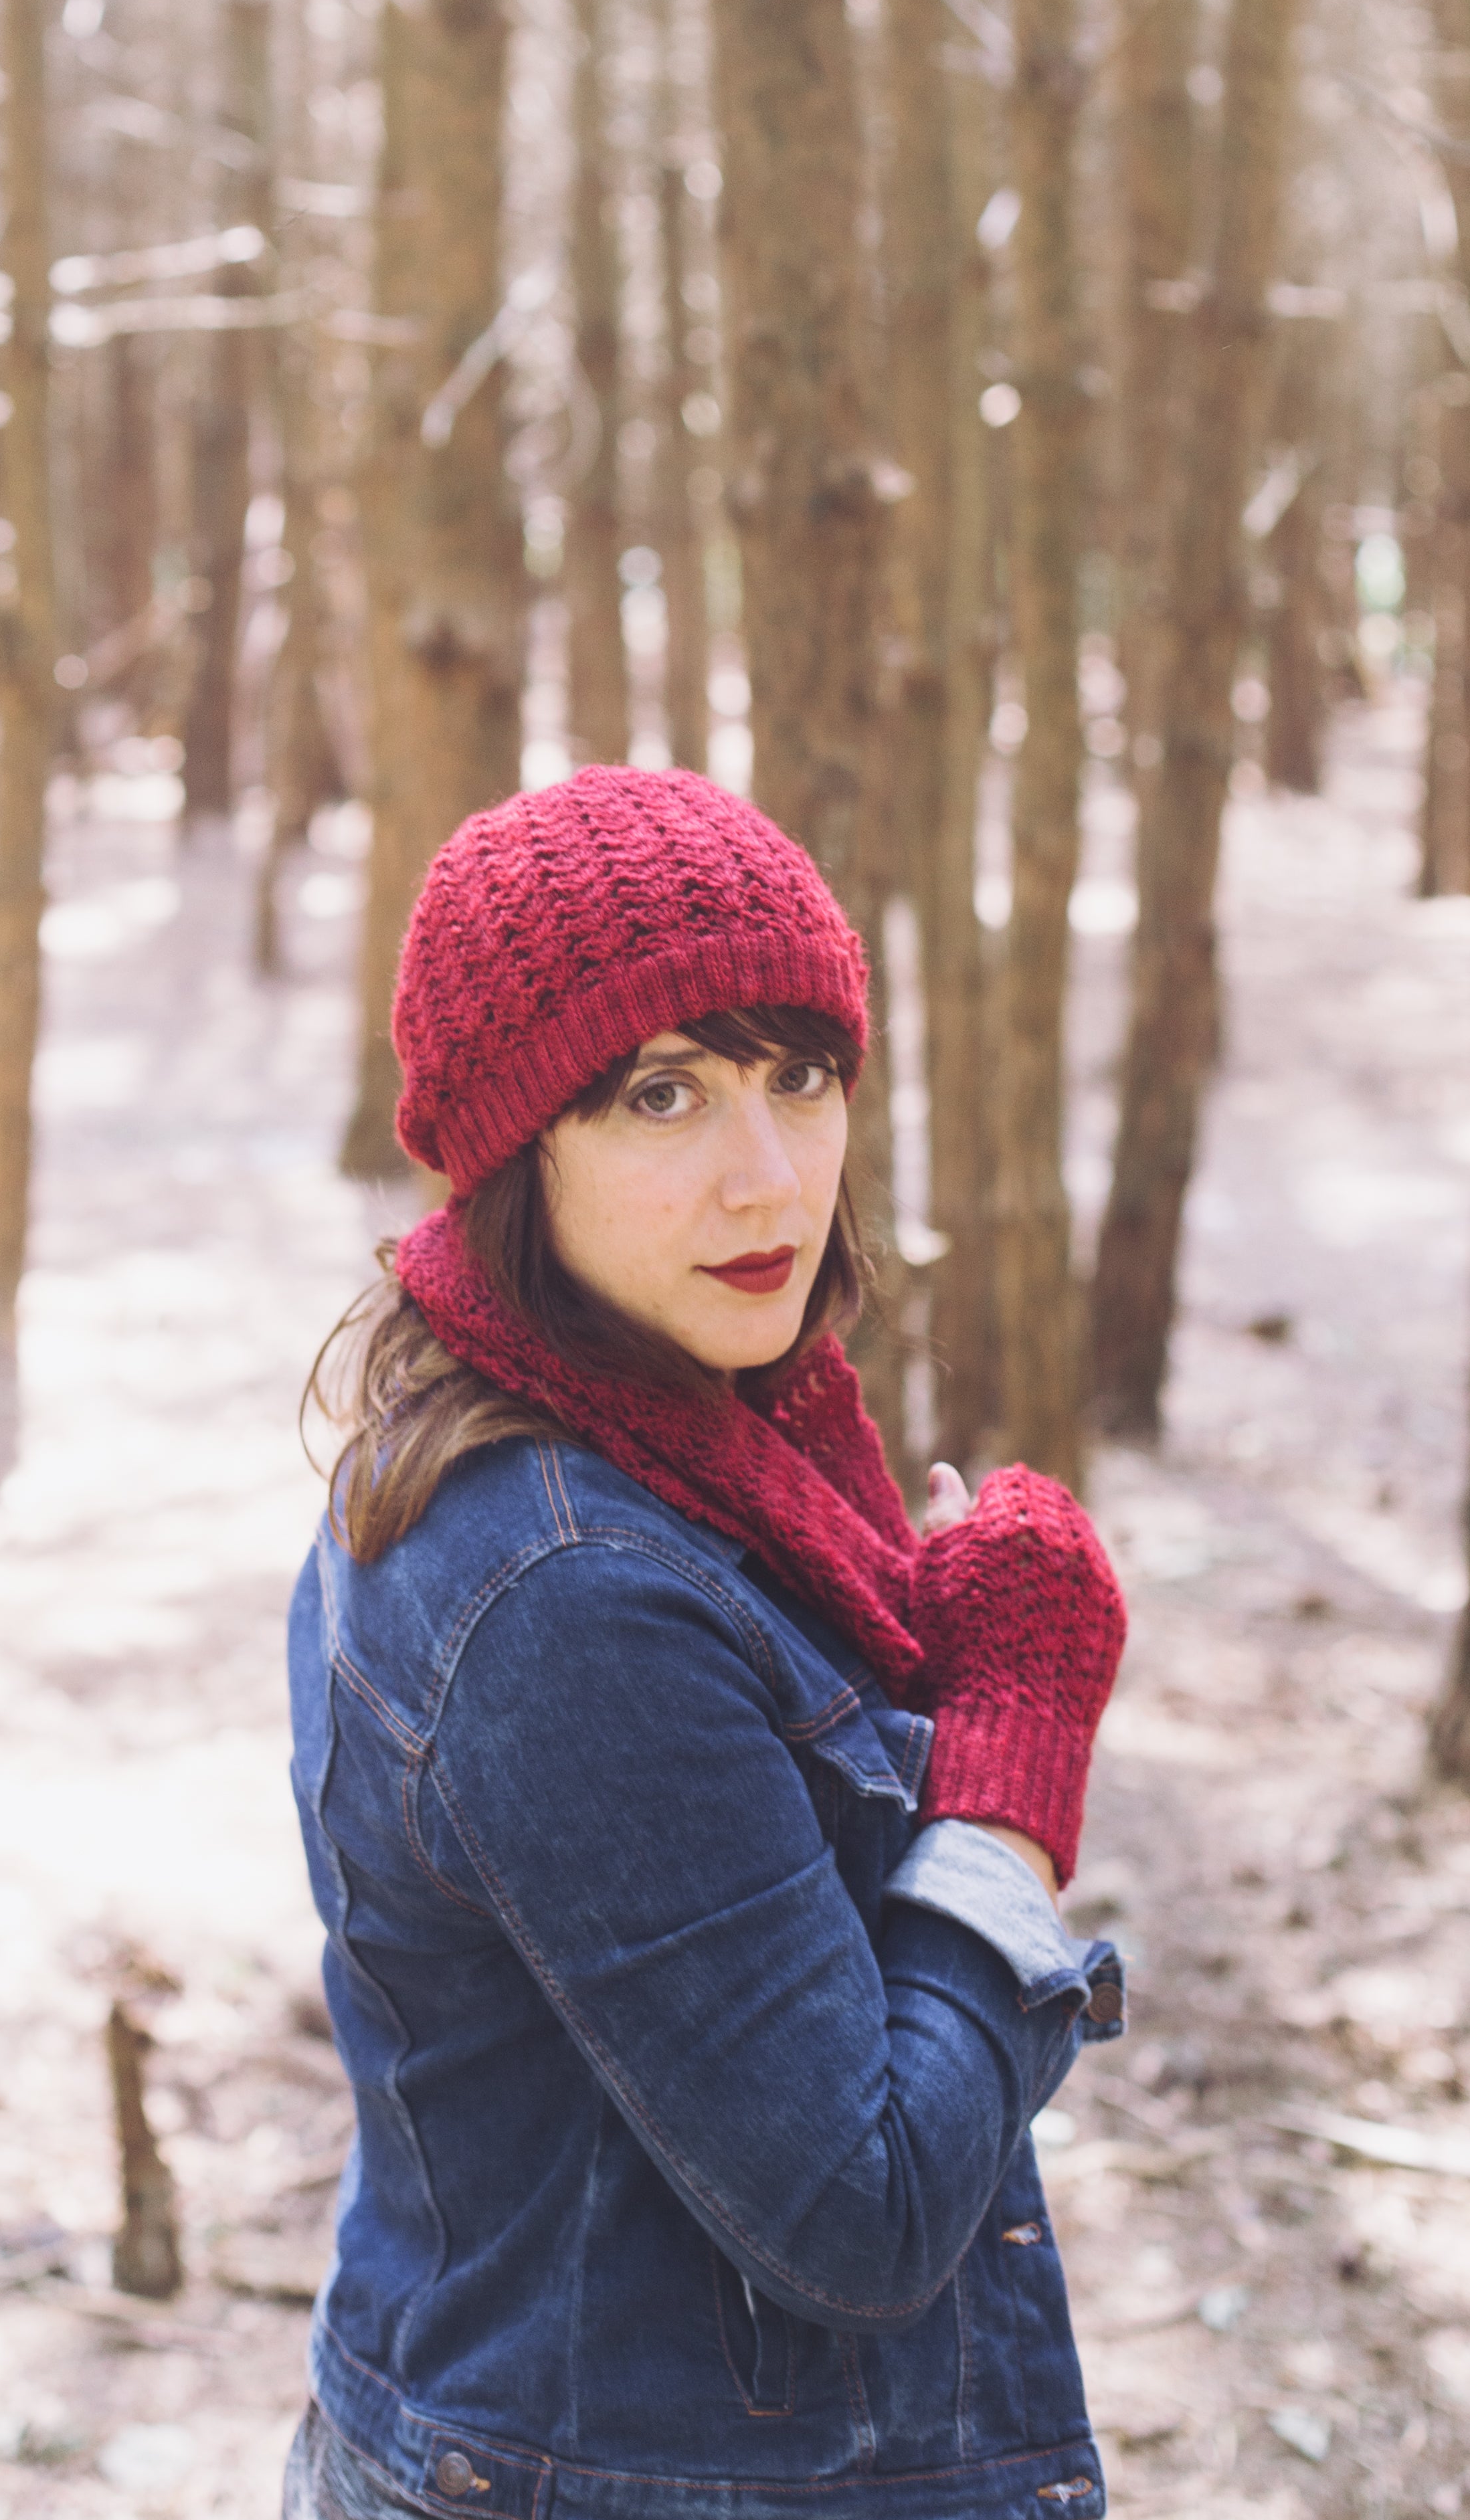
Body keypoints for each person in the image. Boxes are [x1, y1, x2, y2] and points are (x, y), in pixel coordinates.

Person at [285, 766, 1127, 2520]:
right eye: (660, 1093)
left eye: (796, 1074)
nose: (767, 1176)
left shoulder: (698, 1443)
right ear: (520, 1142)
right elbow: (868, 2206)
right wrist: (1012, 1770)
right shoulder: (568, 1588)